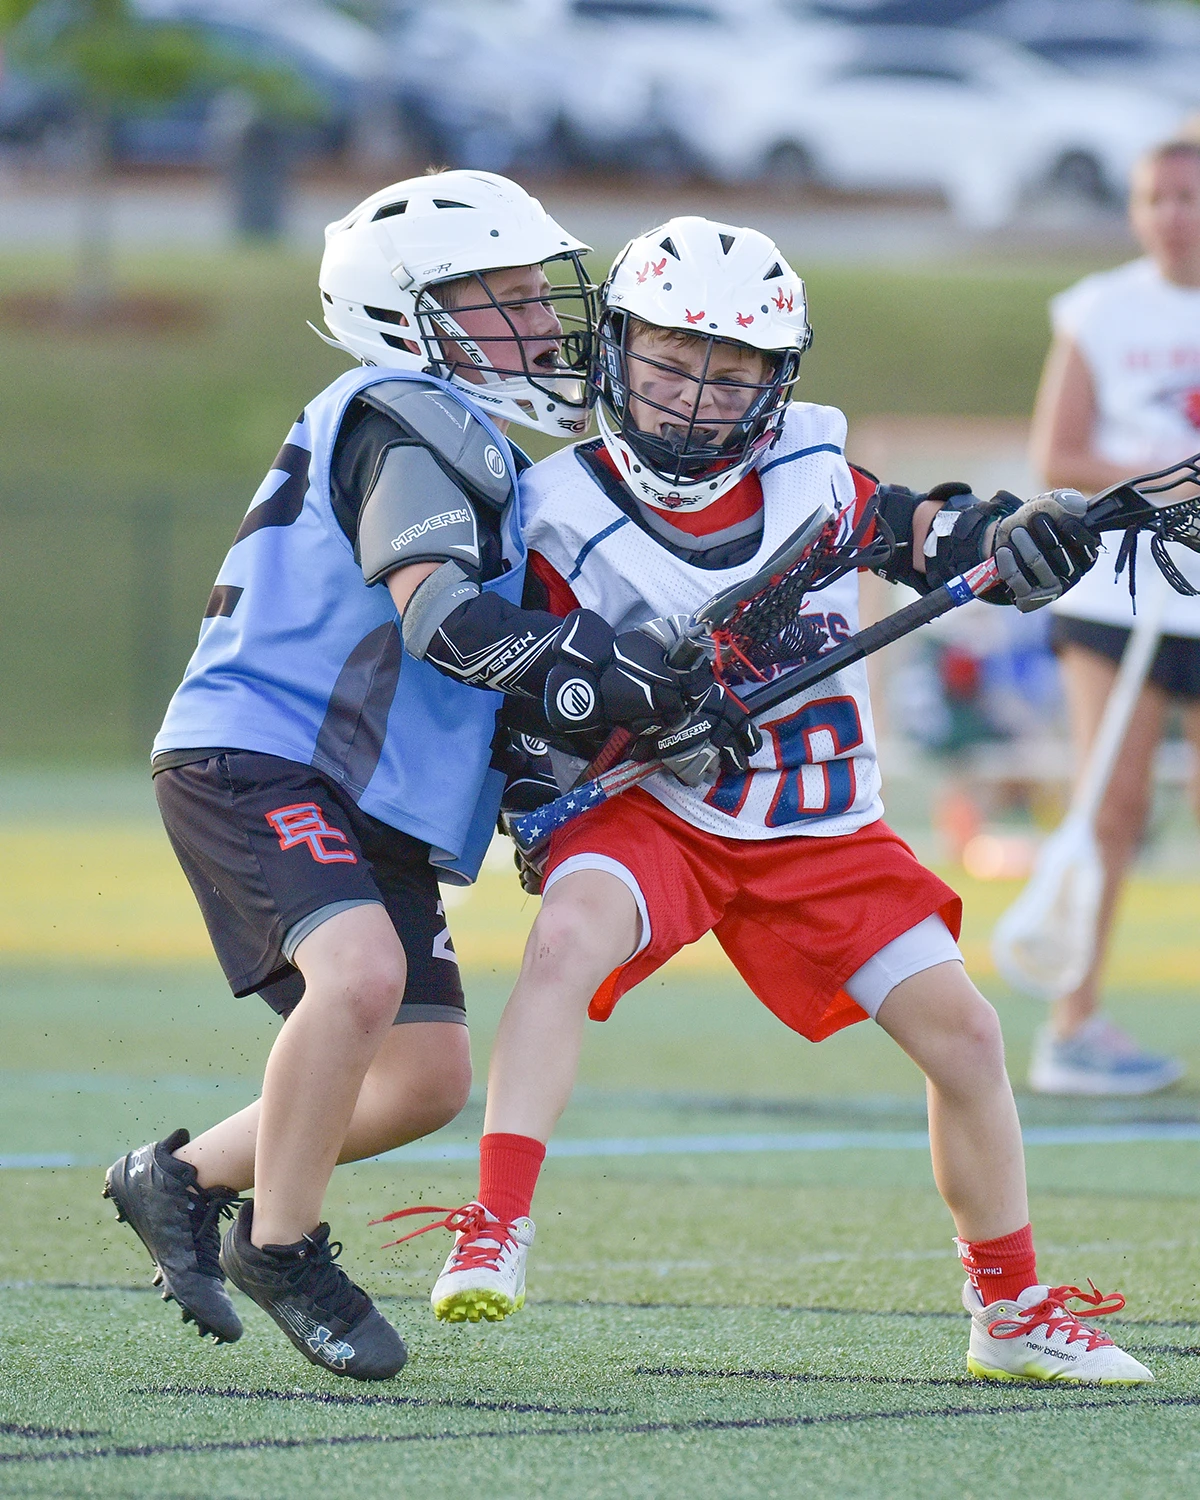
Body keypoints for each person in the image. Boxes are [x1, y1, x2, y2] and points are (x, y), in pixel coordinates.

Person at [383, 215, 1153, 1385]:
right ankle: (495, 1224)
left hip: (818, 825)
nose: (695, 396)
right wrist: (570, 755)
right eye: (671, 361)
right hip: (658, 817)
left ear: (776, 384)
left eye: (730, 371)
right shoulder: (554, 511)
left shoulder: (817, 480)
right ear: (618, 352)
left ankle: (1007, 1310)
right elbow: (525, 694)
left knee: (969, 1037)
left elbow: (931, 537)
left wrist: (1013, 537)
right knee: (567, 940)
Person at [102, 169, 603, 1381]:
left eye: (540, 295)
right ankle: (282, 1243)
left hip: (375, 790)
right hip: (265, 744)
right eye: (505, 296)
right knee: (363, 972)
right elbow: (439, 615)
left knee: (425, 1078)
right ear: (408, 309)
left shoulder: (490, 451)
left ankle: (178, 1181)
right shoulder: (402, 412)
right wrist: (589, 663)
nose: (540, 322)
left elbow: (502, 682)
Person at [1028, 139, 1200, 1096]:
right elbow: (1057, 450)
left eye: (1188, 195)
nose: (1171, 213)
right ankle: (1075, 1023)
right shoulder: (1101, 308)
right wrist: (1170, 480)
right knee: (1111, 804)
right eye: (1153, 196)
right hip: (1121, 591)